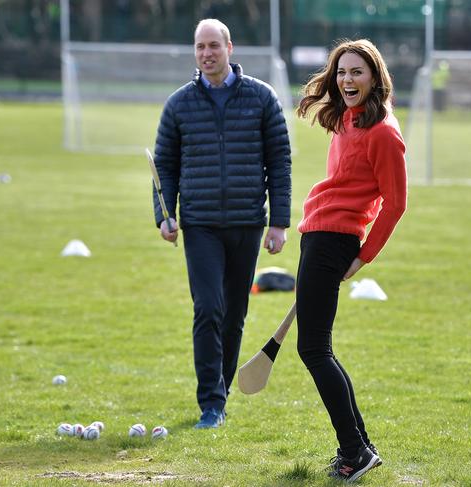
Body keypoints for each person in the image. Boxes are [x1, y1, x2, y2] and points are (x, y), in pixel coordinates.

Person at [151, 18, 291, 429]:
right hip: (200, 226)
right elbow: (164, 166)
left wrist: (278, 223)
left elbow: (279, 163)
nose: (207, 53)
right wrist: (165, 215)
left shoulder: (262, 98)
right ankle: (211, 403)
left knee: (234, 316)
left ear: (230, 48)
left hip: (248, 223)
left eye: (214, 45)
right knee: (208, 308)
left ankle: (222, 390)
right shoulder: (179, 104)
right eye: (200, 47)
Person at [295, 39, 407, 482]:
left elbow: (395, 204)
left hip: (334, 241)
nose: (346, 80)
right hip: (317, 234)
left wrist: (362, 257)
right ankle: (360, 446)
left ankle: (354, 451)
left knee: (313, 349)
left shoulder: (384, 133)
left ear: (376, 77)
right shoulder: (346, 119)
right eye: (342, 72)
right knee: (319, 348)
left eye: (357, 72)